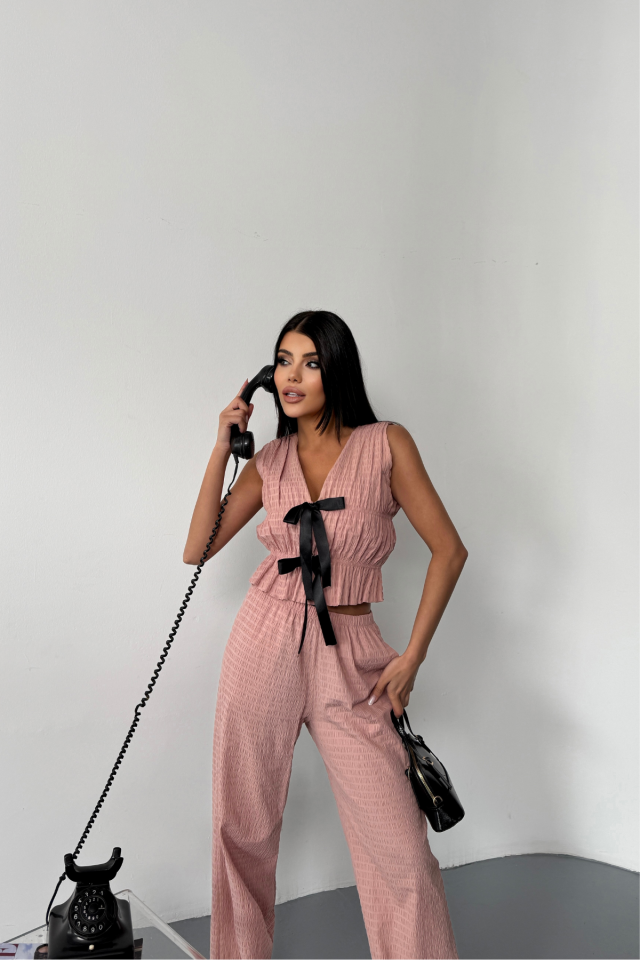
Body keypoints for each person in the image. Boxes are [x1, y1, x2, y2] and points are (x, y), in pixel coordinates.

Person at [183, 310, 467, 960]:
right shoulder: (271, 460)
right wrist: (224, 448)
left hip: (353, 652)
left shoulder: (386, 444)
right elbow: (198, 548)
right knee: (242, 827)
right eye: (283, 361)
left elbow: (449, 551)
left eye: (310, 362)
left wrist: (413, 657)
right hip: (264, 638)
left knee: (399, 847)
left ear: (336, 369)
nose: (292, 376)